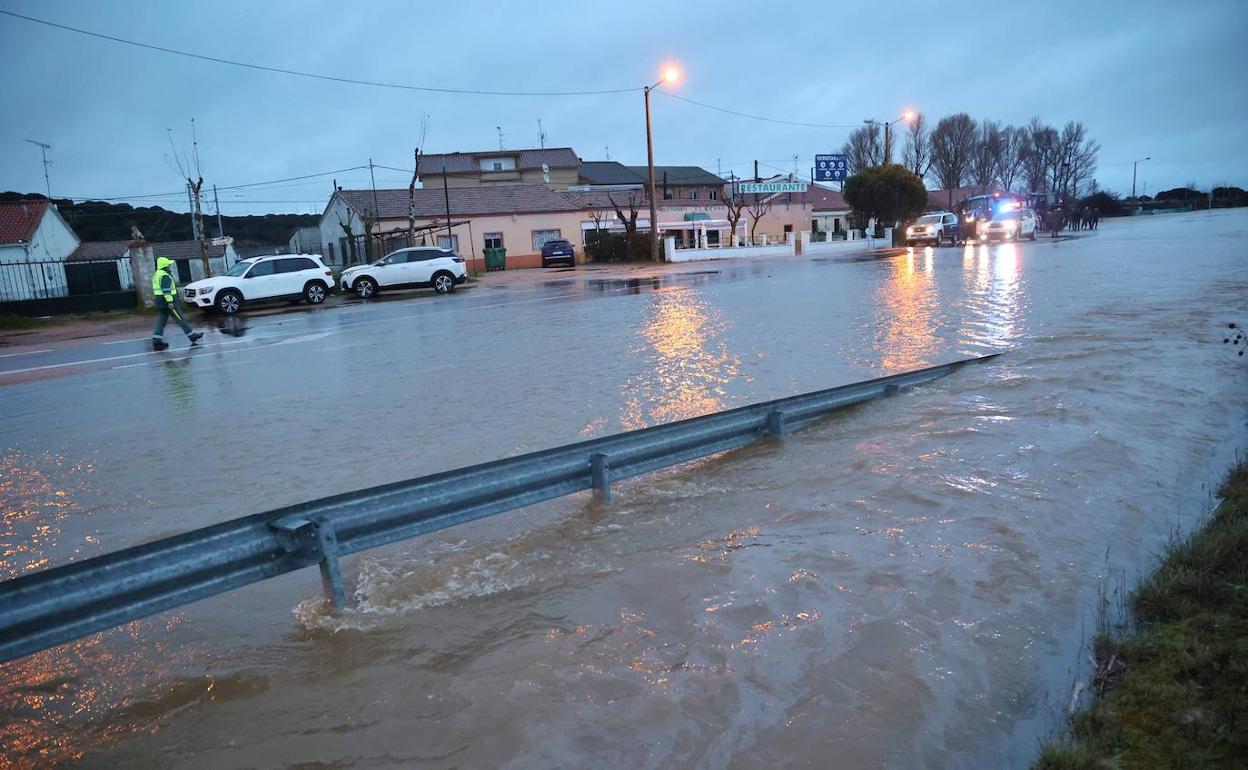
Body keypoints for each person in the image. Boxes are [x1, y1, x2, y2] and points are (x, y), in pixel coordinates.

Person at [151, 256, 202, 350]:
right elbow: (166, 290)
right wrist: (170, 301)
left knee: (161, 320)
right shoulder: (165, 275)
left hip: (159, 300)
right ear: (165, 265)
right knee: (180, 318)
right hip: (167, 301)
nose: (170, 266)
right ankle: (192, 335)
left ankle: (157, 340)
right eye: (168, 264)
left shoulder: (157, 274)